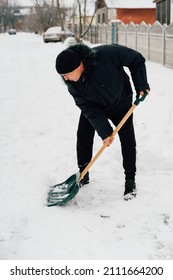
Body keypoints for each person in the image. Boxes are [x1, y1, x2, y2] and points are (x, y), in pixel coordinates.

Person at [55, 43, 150, 200]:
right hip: (96, 105)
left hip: (121, 101)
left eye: (67, 74)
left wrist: (141, 84)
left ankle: (130, 180)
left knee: (127, 139)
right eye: (62, 75)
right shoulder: (73, 87)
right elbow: (89, 109)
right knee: (83, 134)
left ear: (79, 65)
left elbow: (136, 60)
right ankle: (83, 173)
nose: (65, 78)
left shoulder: (106, 54)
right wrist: (105, 132)